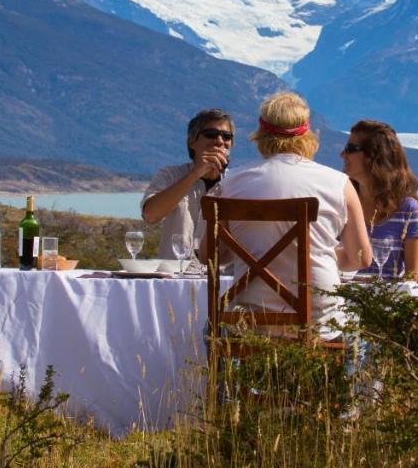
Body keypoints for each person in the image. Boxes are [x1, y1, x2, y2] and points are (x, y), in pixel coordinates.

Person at [203, 91, 371, 336]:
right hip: (318, 318)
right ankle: (343, 375)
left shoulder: (230, 184)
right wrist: (323, 252)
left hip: (250, 319)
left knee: (207, 330)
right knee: (358, 326)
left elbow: (209, 256)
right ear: (308, 134)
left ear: (261, 135)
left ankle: (228, 375)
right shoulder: (339, 183)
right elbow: (360, 258)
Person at [141, 108, 234, 258]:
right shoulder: (169, 175)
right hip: (174, 275)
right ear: (192, 141)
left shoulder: (236, 184)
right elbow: (150, 215)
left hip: (220, 277)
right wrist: (195, 174)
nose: (219, 141)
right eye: (211, 134)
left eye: (226, 136)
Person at [342, 120, 418, 280]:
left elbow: (412, 275)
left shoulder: (407, 209)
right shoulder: (340, 202)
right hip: (340, 299)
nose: (342, 154)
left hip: (386, 301)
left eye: (350, 149)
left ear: (373, 156)